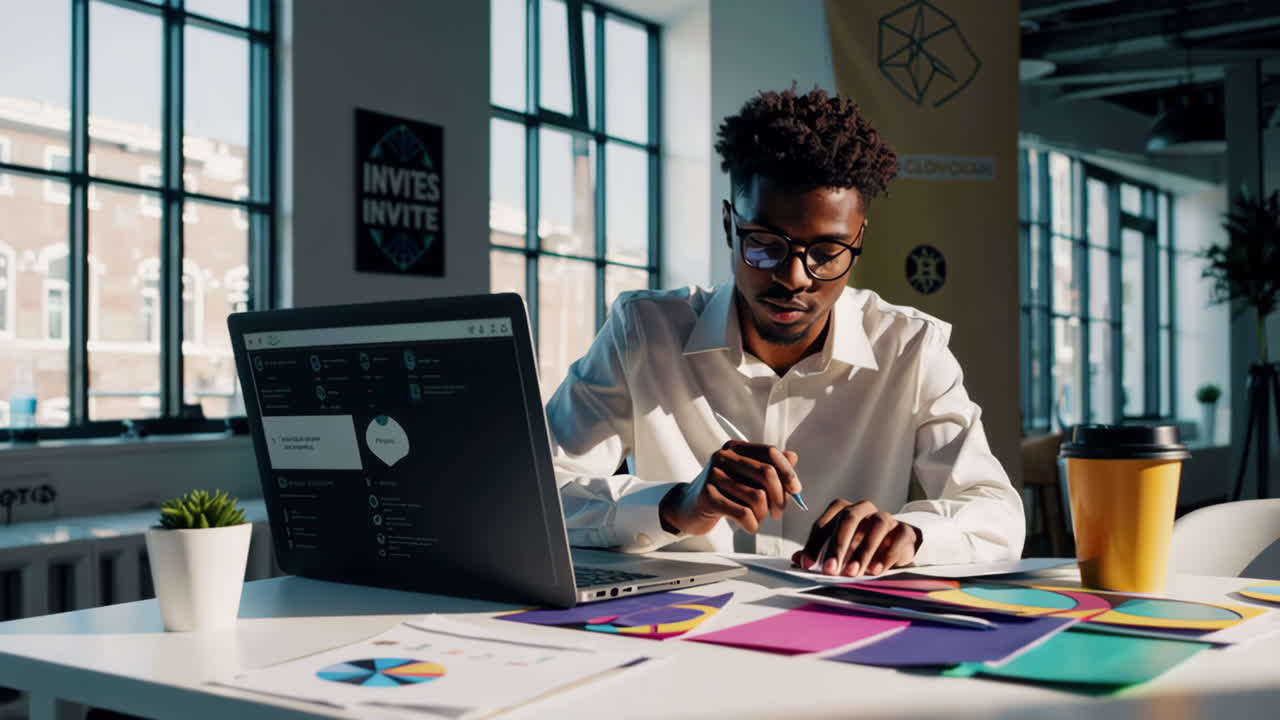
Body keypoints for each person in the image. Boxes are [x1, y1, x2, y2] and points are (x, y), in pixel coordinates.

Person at [546, 87, 1024, 577]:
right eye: (765, 245)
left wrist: (915, 535)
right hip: (678, 629)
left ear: (858, 240)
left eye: (827, 252)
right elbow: (537, 492)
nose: (794, 277)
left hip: (840, 631)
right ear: (730, 226)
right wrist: (674, 505)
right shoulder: (643, 333)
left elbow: (998, 515)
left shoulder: (911, 348)